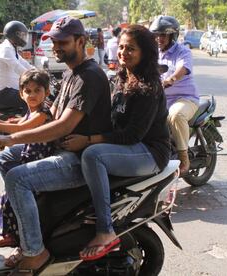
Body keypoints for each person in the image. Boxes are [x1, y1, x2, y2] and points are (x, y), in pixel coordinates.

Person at [0, 16, 112, 275]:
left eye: (63, 42)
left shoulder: (90, 77)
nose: (56, 47)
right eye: (54, 42)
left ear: (81, 41)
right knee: (5, 159)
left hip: (77, 159)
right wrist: (0, 127)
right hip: (57, 150)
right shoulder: (69, 74)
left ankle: (35, 251)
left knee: (18, 179)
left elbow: (63, 126)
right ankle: (26, 230)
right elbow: (45, 116)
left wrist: (10, 138)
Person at [61, 25, 170, 261]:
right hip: (128, 147)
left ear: (145, 53)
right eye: (121, 47)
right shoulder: (121, 78)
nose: (123, 53)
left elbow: (132, 135)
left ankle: (105, 231)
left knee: (93, 155)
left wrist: (88, 141)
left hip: (150, 152)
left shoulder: (149, 87)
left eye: (130, 49)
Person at [0, 69, 55, 260]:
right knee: (7, 195)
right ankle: (13, 236)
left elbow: (21, 128)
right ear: (21, 93)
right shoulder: (32, 110)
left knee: (14, 192)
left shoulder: (43, 112)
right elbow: (19, 121)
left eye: (37, 91)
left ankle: (23, 244)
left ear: (47, 92)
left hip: (38, 160)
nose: (32, 95)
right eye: (28, 91)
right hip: (29, 155)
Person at [150, 16, 199, 174]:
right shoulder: (153, 53)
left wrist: (171, 79)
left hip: (185, 99)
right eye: (156, 35)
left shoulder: (183, 51)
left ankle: (184, 159)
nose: (159, 39)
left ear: (173, 36)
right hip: (161, 100)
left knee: (175, 115)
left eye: (163, 35)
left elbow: (182, 68)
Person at [0, 20, 34, 115]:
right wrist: (33, 77)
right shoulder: (5, 49)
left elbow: (24, 63)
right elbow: (17, 67)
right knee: (30, 98)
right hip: (1, 92)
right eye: (21, 35)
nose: (23, 38)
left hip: (10, 90)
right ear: (14, 35)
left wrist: (37, 71)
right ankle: (26, 126)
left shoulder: (12, 48)